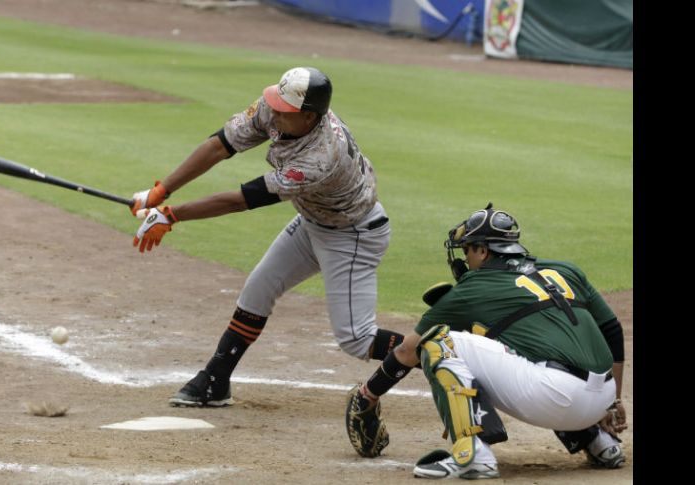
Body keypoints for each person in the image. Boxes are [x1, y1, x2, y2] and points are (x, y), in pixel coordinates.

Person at [129, 67, 407, 409]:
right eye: (274, 103)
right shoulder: (279, 105)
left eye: (283, 111)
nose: (272, 113)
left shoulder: (320, 158)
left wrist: (172, 215)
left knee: (357, 339)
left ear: (308, 116)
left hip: (351, 235)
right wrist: (162, 190)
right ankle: (216, 380)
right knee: (259, 288)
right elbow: (219, 146)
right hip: (314, 220)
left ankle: (443, 353)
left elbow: (240, 200)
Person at [344, 203, 627, 479]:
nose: (466, 257)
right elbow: (612, 330)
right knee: (528, 345)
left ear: (483, 250)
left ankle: (474, 456)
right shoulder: (566, 270)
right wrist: (613, 403)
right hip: (601, 402)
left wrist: (369, 393)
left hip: (554, 400)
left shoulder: (474, 287)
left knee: (439, 342)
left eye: (468, 249)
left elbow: (409, 349)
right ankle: (601, 443)